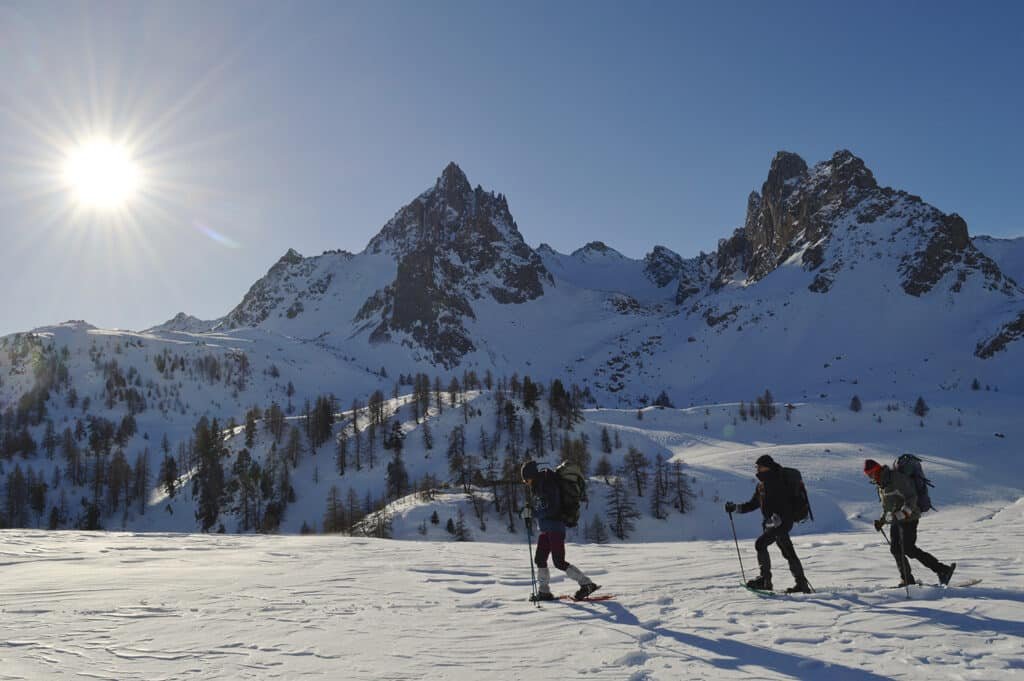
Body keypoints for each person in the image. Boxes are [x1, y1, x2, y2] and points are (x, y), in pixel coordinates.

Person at [724, 454, 811, 593]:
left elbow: (785, 505)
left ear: (767, 467)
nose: (757, 469)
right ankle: (801, 584)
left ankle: (765, 581)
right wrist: (735, 508)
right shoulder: (762, 486)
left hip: (781, 523)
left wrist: (778, 519)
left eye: (759, 466)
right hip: (771, 524)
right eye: (757, 467)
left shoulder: (777, 481)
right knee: (788, 552)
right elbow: (752, 504)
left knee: (760, 544)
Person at [863, 459, 955, 587]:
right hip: (896, 519)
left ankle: (943, 570)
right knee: (895, 549)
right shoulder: (881, 484)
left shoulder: (896, 478)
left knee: (908, 548)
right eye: (868, 474)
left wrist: (903, 513)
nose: (870, 476)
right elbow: (888, 507)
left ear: (877, 470)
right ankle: (907, 579)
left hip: (910, 518)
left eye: (871, 473)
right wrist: (882, 521)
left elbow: (912, 497)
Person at [521, 460, 600, 601]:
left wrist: (533, 513)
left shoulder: (547, 484)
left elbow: (552, 508)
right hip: (546, 529)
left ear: (531, 476)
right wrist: (530, 512)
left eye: (526, 479)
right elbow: (542, 508)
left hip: (555, 528)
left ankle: (587, 584)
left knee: (558, 561)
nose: (525, 482)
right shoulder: (539, 486)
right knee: (540, 559)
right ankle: (544, 591)